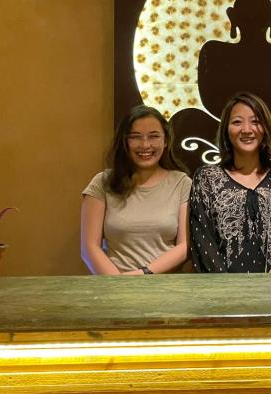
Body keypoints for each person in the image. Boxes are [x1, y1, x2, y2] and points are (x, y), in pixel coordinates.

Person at [190, 92, 271, 273]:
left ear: (266, 128)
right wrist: (228, 290)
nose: (247, 129)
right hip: (221, 293)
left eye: (255, 121)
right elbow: (203, 239)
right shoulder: (207, 178)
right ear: (226, 129)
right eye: (237, 122)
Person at [81, 105, 191, 275]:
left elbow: (185, 247)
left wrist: (143, 274)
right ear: (125, 141)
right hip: (114, 288)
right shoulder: (102, 183)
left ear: (166, 140)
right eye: (135, 137)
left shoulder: (182, 183)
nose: (145, 145)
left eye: (154, 136)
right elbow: (90, 248)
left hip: (166, 289)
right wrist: (118, 285)